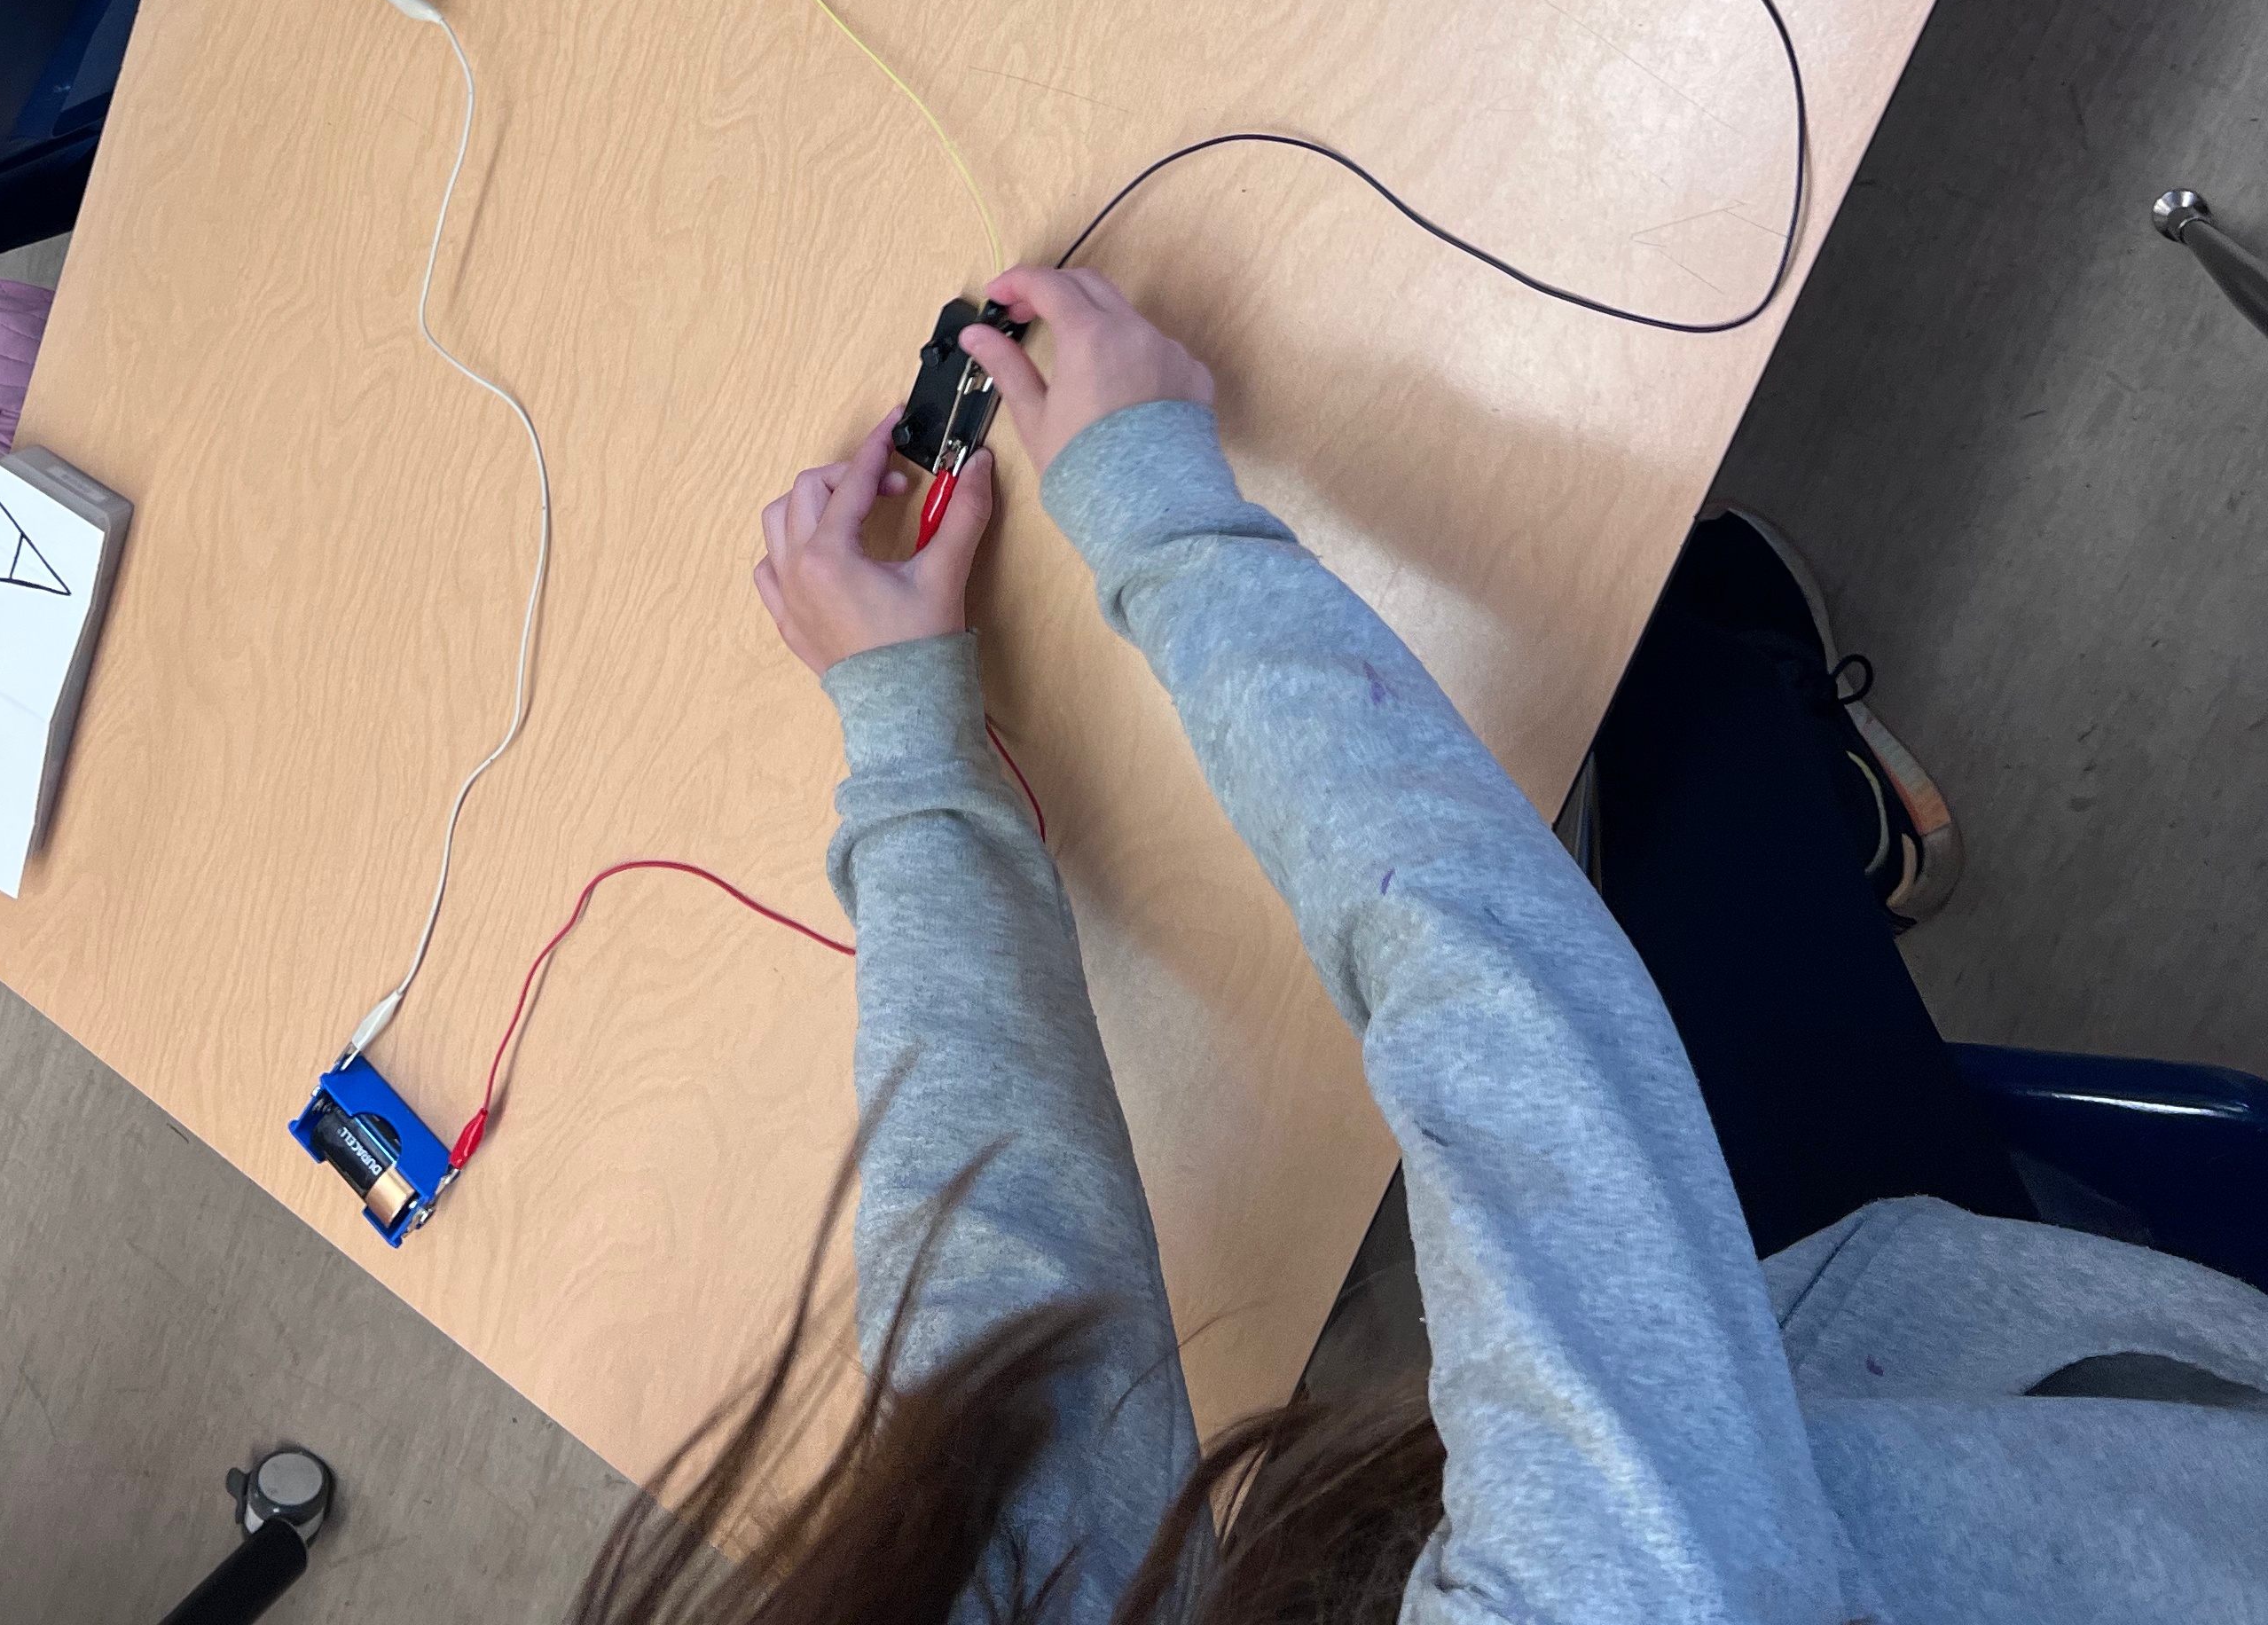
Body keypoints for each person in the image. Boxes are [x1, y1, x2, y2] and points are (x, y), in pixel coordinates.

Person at [568, 263, 2268, 1625]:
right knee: (1667, 693)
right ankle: (1765, 735)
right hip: (2025, 1430)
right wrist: (1155, 508)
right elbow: (1509, 1030)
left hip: (1812, 1404)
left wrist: (911, 744)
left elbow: (1002, 1390)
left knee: (1640, 804)